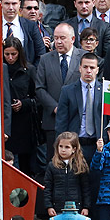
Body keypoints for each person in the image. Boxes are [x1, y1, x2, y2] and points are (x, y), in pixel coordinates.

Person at [35, 23, 83, 160]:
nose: (58, 42)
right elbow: (39, 88)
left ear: (73, 39)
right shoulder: (45, 59)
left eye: (62, 38)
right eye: (55, 38)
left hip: (77, 118)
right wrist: (55, 107)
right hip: (52, 120)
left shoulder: (83, 58)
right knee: (54, 160)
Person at [2, 36, 39, 175]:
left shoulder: (29, 69)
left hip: (24, 124)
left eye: (14, 54)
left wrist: (24, 104)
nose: (10, 58)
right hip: (6, 123)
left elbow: (37, 96)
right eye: (7, 54)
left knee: (25, 166)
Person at [42, 131, 90, 218]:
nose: (63, 150)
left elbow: (85, 188)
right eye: (60, 146)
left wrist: (86, 207)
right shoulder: (52, 165)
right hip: (58, 208)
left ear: (74, 149)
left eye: (67, 147)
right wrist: (49, 206)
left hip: (76, 209)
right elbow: (47, 187)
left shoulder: (80, 165)